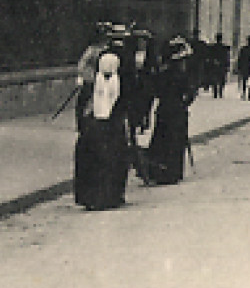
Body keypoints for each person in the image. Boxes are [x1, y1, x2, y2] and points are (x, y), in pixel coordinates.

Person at [74, 51, 130, 210]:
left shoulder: (118, 83)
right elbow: (82, 108)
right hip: (97, 129)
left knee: (111, 162)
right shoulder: (91, 84)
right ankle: (93, 197)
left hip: (111, 129)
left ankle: (110, 196)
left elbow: (122, 106)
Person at [143, 36, 196, 186]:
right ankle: (172, 172)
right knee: (174, 141)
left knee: (162, 139)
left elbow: (155, 90)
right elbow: (189, 93)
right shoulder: (181, 75)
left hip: (164, 109)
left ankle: (159, 171)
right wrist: (186, 102)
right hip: (177, 110)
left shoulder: (163, 72)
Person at [235, 36, 250, 101]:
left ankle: (244, 94)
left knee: (244, 81)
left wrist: (238, 67)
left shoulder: (243, 49)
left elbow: (240, 59)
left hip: (244, 67)